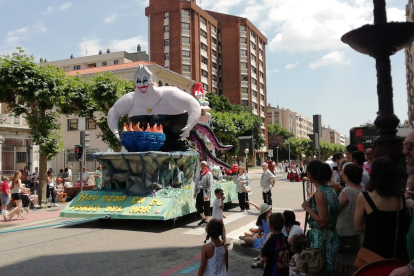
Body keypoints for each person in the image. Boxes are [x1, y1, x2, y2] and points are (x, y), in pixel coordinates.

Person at [354, 157, 409, 266]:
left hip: (372, 254)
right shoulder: (401, 197)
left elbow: (358, 227)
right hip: (398, 254)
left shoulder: (365, 197)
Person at [301, 160, 339, 275]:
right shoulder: (331, 190)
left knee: (317, 270)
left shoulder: (319, 193)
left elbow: (322, 221)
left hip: (321, 238)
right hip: (330, 236)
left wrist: (307, 208)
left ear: (310, 175)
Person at [335, 163, 364, 276]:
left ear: (346, 176)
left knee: (345, 266)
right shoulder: (364, 191)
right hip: (359, 235)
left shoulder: (347, 191)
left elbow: (335, 209)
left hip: (346, 235)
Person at [194, 161, 213, 226]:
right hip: (199, 191)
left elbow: (210, 185)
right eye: (201, 165)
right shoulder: (199, 174)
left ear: (206, 166)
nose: (202, 167)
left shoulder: (209, 174)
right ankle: (203, 218)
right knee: (197, 205)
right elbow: (196, 184)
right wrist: (195, 192)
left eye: (204, 165)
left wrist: (208, 194)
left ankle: (207, 221)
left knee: (206, 206)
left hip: (205, 191)